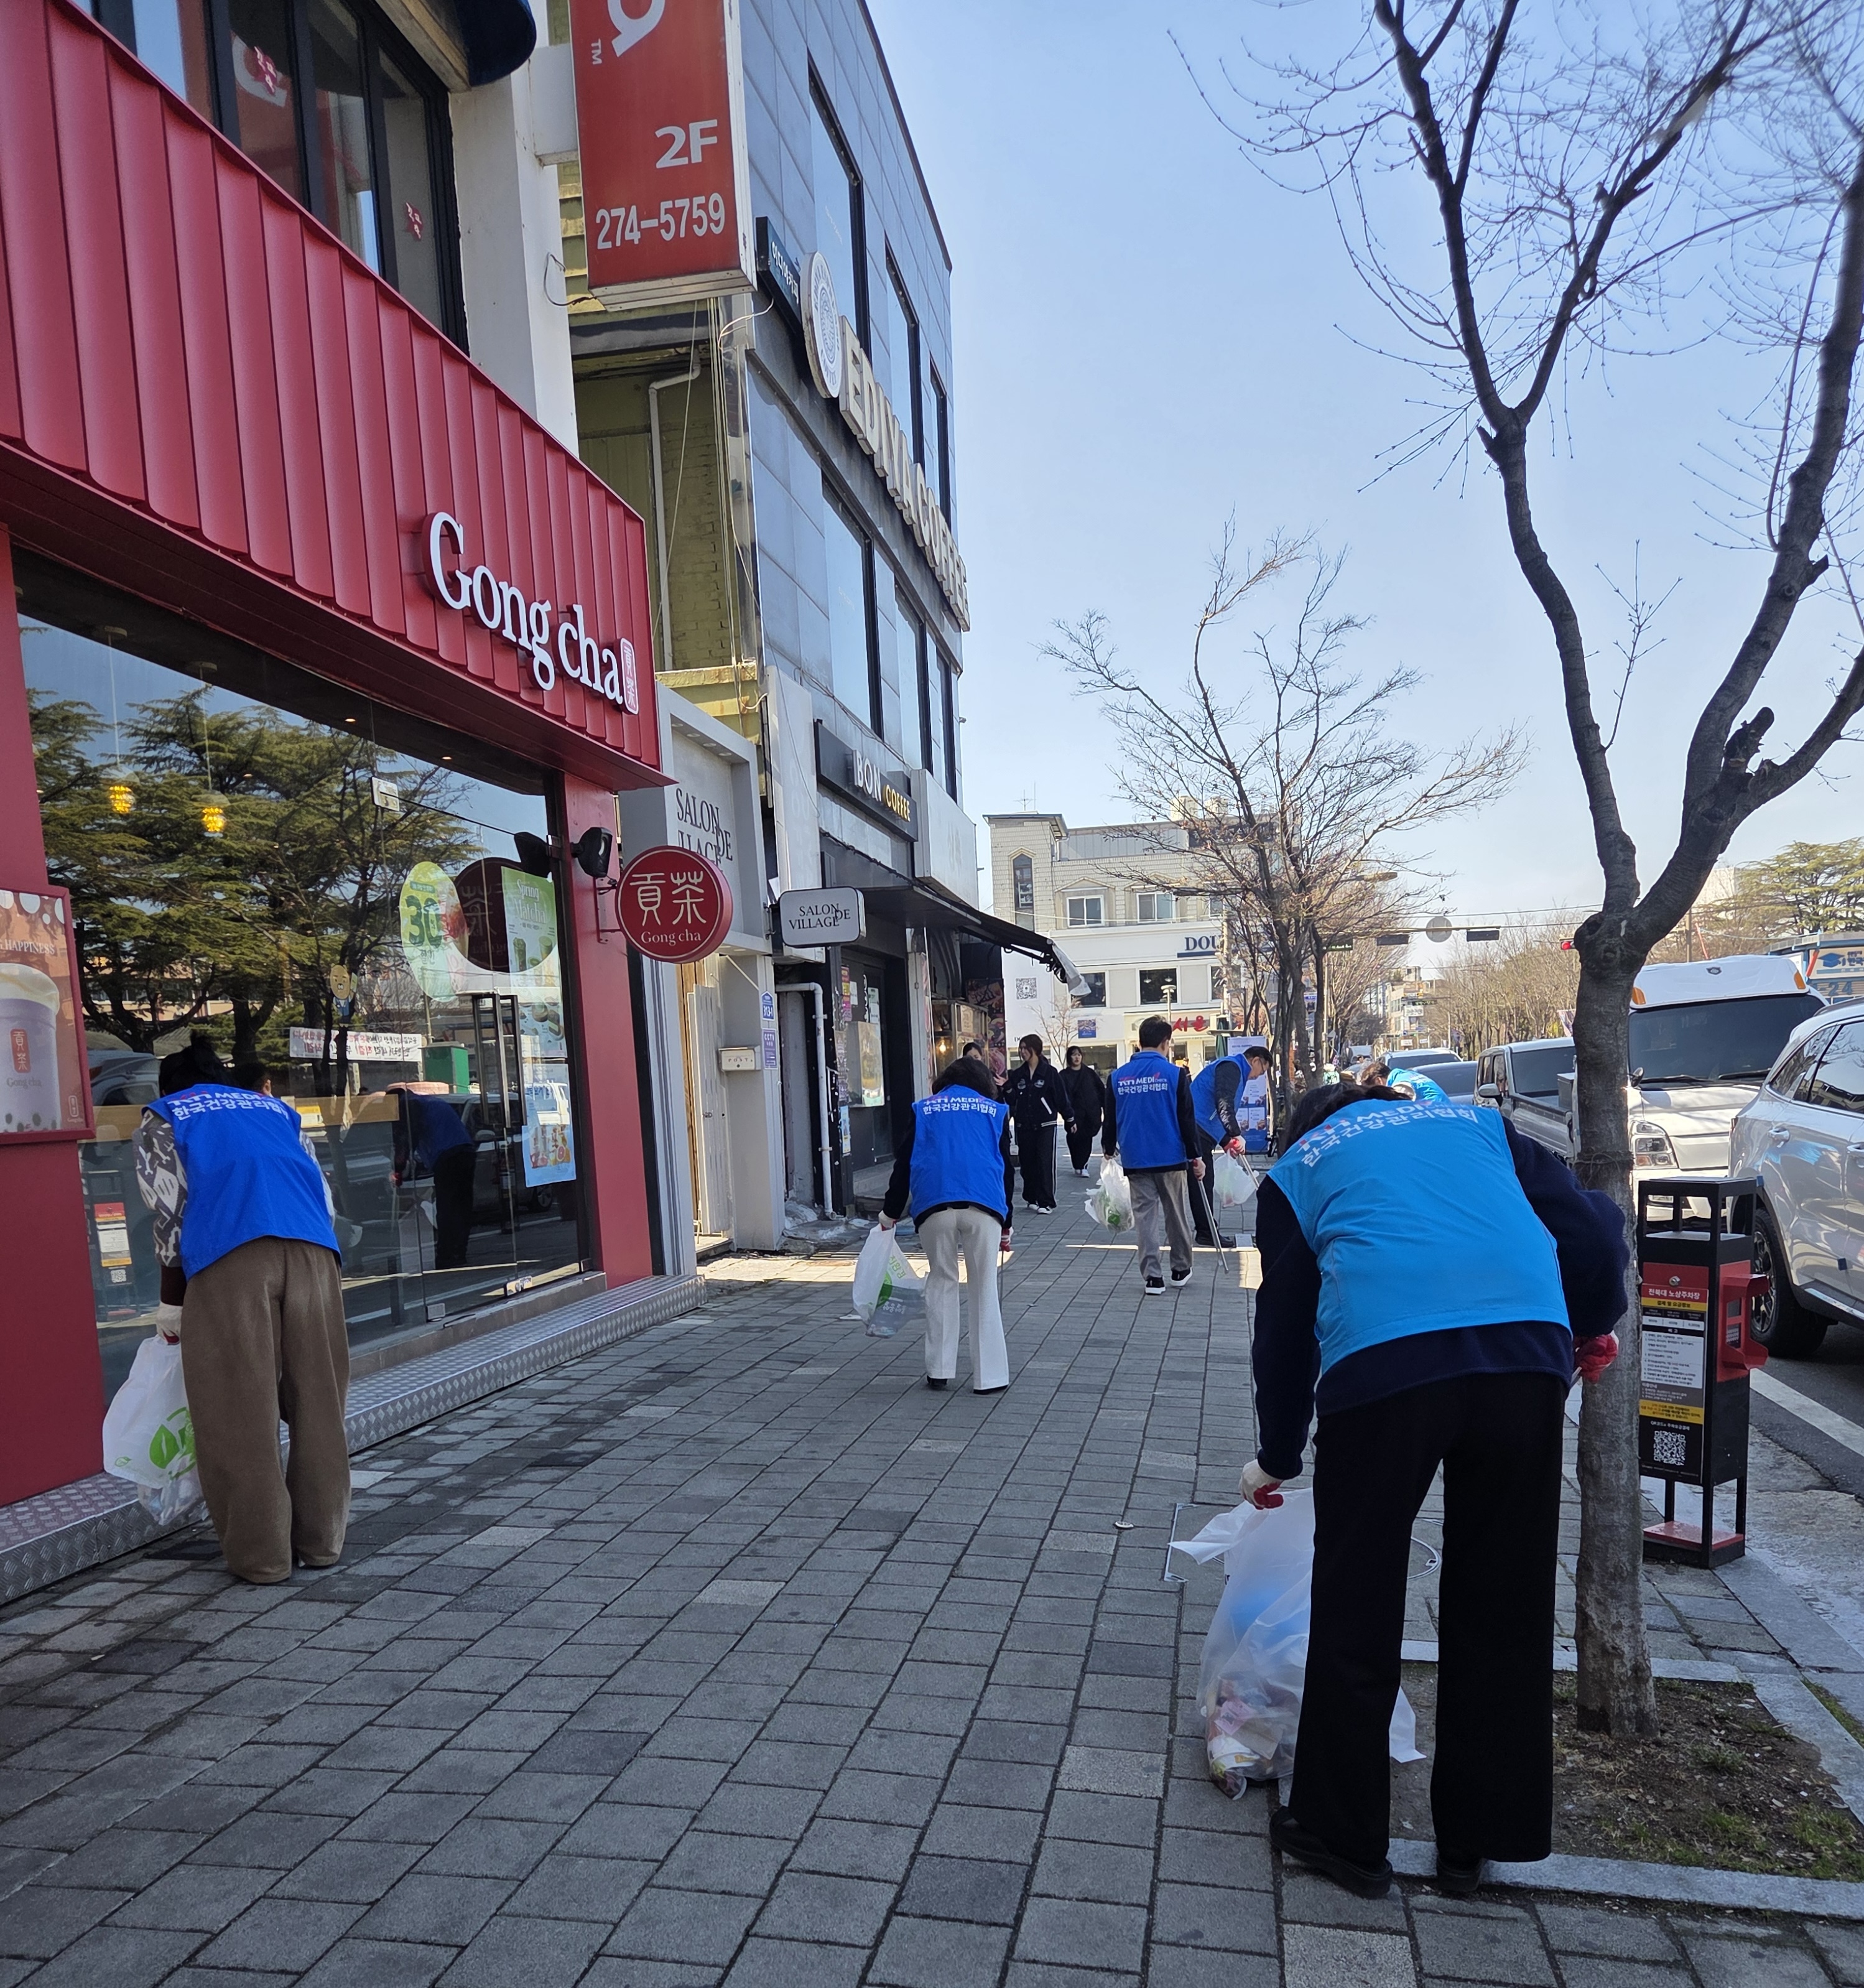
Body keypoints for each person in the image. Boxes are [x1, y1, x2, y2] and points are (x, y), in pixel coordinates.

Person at [1240, 1078, 1626, 1899]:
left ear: (1312, 1125)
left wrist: (1277, 1454)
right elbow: (1591, 1231)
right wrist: (1590, 1324)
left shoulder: (1298, 1168)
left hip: (1384, 1373)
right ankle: (1476, 1844)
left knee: (1358, 1598)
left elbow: (1282, 1325)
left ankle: (1343, 1838)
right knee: (1504, 1603)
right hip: (1523, 1357)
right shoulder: (1483, 1126)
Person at [132, 1034, 351, 1585]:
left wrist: (171, 1304)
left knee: (238, 1411)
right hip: (314, 1253)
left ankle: (263, 1558)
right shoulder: (277, 1110)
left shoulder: (165, 1117)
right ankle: (321, 1542)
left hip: (230, 1259)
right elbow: (320, 1193)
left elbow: (170, 1218)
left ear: (168, 1086)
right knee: (318, 1402)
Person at [879, 1056, 1011, 1393]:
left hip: (934, 1202)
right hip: (984, 1203)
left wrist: (890, 1213)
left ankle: (939, 1370)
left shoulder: (924, 1109)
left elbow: (905, 1164)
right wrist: (1007, 1221)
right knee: (984, 1286)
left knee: (942, 1279)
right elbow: (1006, 1169)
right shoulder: (995, 1111)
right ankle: (990, 1377)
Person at [1101, 1016, 1205, 1294]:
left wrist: (1108, 1148)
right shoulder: (1175, 1075)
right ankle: (1180, 1268)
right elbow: (1187, 1119)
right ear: (1165, 1043)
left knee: (1145, 1217)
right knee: (1176, 1214)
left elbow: (1109, 1120)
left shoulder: (1117, 1078)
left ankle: (1152, 1277)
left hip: (1136, 1158)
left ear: (1139, 1043)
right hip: (1171, 1156)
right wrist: (1196, 1156)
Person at [389, 1082, 478, 1270]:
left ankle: (446, 1256)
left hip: (448, 1156)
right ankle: (459, 1253)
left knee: (447, 1207)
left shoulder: (409, 1104)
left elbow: (408, 1137)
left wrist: (399, 1168)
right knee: (462, 1206)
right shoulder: (429, 1101)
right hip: (465, 1151)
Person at [1001, 1033, 1073, 1214]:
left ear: (1036, 1050)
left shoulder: (1049, 1073)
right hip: (1023, 1125)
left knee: (1044, 1163)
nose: (1023, 1052)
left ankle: (1046, 1201)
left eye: (1026, 1048)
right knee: (1027, 1163)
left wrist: (1069, 1118)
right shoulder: (1018, 1074)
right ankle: (1031, 1197)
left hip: (1045, 1125)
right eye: (1021, 1049)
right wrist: (1007, 1087)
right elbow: (1012, 1099)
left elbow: (1060, 1098)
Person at [1059, 1046, 1106, 1173]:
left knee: (1086, 1140)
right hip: (1073, 1114)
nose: (1077, 1057)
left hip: (1090, 1114)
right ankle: (1077, 1164)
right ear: (1069, 1057)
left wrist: (1105, 1107)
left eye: (1079, 1055)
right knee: (1073, 1139)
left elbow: (1101, 1090)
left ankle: (1083, 1165)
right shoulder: (1063, 1075)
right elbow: (1061, 1096)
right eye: (1074, 1055)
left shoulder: (1090, 1074)